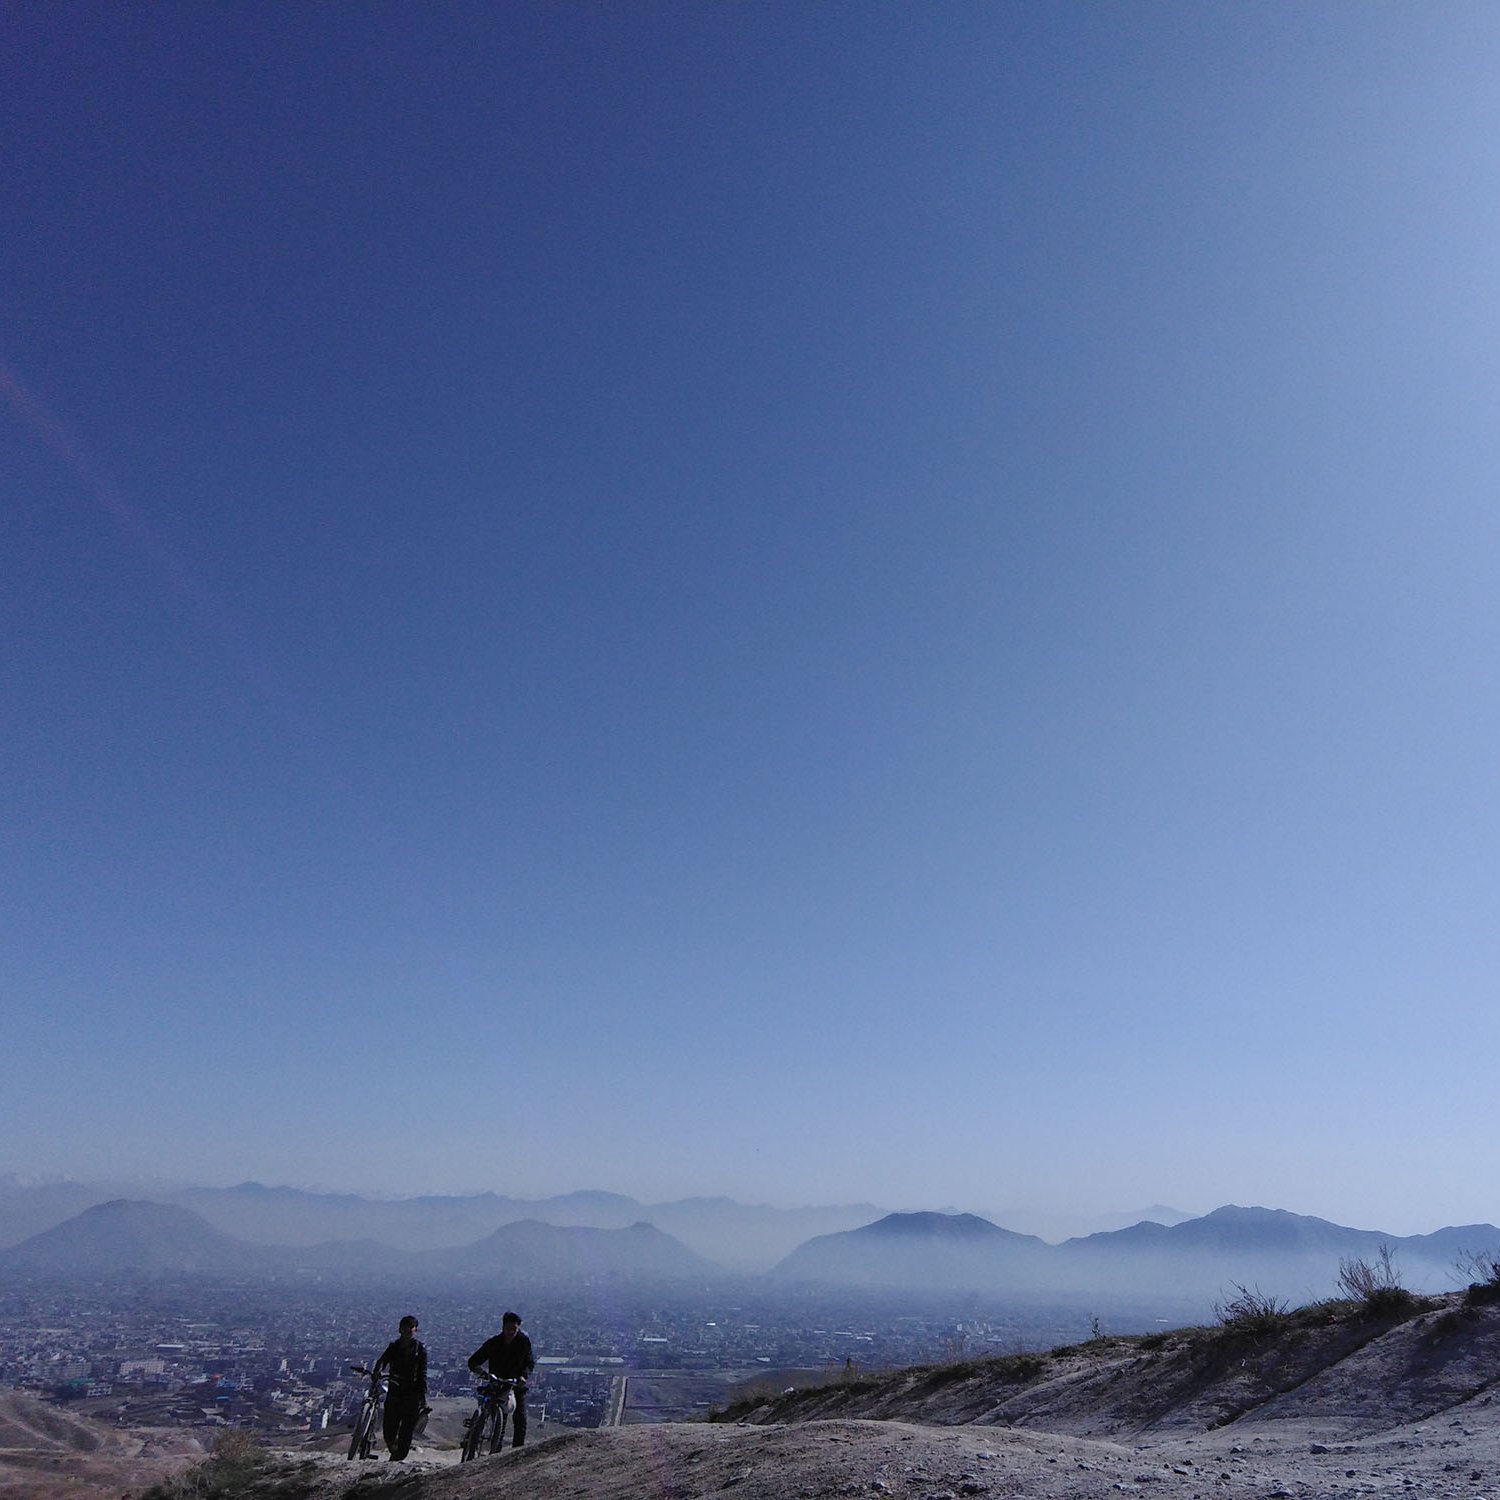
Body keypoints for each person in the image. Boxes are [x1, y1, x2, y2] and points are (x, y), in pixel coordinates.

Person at [468, 1310, 536, 1447]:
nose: (510, 1332)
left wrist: (523, 1376)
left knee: (520, 1419)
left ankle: (517, 1451)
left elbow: (529, 1362)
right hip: (497, 1384)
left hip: (515, 1384)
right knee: (499, 1420)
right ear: (502, 1327)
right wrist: (483, 1374)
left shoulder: (523, 1342)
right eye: (508, 1329)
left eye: (514, 1329)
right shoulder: (494, 1343)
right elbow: (474, 1361)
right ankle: (495, 1450)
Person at [371, 1314, 428, 1461]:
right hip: (395, 1392)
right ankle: (394, 1451)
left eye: (411, 1328)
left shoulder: (419, 1349)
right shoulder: (394, 1347)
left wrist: (422, 1395)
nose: (408, 1330)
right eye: (406, 1327)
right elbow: (382, 1360)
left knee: (406, 1431)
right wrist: (378, 1371)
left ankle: (397, 1459)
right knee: (389, 1430)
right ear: (400, 1329)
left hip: (412, 1394)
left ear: (415, 1330)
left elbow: (422, 1373)